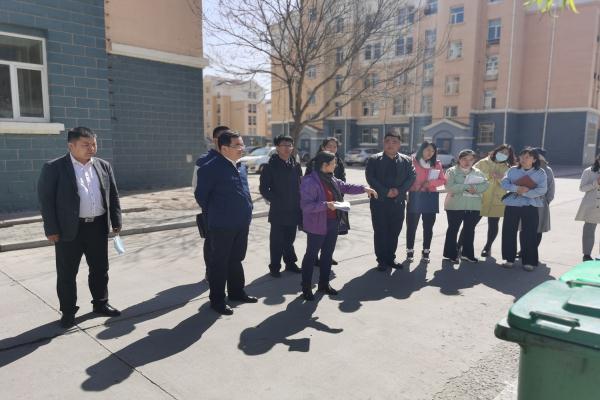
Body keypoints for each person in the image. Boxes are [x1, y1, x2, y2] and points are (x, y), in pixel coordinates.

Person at [38, 127, 122, 328]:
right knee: (67, 274)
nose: (91, 148)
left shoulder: (103, 166)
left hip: (98, 227)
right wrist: (51, 229)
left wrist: (116, 220)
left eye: (93, 144)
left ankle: (100, 303)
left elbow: (112, 195)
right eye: (86, 145)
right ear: (71, 146)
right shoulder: (54, 167)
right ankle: (68, 312)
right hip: (68, 230)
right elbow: (46, 201)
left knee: (100, 269)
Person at [195, 131, 257, 315]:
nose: (241, 148)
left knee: (236, 259)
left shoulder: (241, 166)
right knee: (219, 263)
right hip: (221, 225)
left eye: (242, 144)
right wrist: (219, 212)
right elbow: (201, 196)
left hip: (241, 223)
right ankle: (217, 301)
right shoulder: (210, 168)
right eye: (237, 145)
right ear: (223, 148)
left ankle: (237, 292)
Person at [300, 151, 377, 300]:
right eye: (333, 163)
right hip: (317, 225)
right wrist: (326, 205)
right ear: (325, 165)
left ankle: (324, 284)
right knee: (311, 256)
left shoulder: (331, 178)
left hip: (333, 222)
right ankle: (306, 287)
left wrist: (364, 188)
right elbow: (306, 206)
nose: (335, 165)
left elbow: (345, 186)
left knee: (327, 255)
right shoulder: (310, 181)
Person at [365, 131, 416, 271]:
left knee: (395, 231)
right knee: (380, 231)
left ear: (399, 144)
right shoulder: (374, 159)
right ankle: (381, 260)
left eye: (394, 142)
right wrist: (385, 191)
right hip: (379, 201)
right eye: (387, 141)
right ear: (383, 142)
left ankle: (390, 258)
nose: (390, 144)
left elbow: (412, 177)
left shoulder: (406, 160)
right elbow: (370, 178)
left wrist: (399, 191)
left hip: (398, 201)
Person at [259, 135, 303, 277]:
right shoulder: (269, 166)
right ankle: (275, 267)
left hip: (294, 209)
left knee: (290, 240)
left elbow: (301, 185)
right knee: (277, 241)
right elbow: (264, 189)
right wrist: (276, 200)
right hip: (278, 211)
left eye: (290, 145)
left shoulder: (296, 165)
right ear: (277, 147)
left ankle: (290, 263)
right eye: (284, 145)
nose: (287, 148)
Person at [192, 126, 230, 282]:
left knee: (230, 245)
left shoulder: (233, 159)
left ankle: (227, 272)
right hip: (212, 212)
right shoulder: (204, 160)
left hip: (232, 212)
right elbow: (196, 188)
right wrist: (209, 208)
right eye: (223, 137)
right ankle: (210, 272)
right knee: (212, 244)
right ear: (215, 140)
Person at [500, 147, 548, 271]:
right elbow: (504, 183)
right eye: (522, 156)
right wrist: (517, 188)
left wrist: (526, 192)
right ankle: (509, 259)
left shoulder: (540, 172)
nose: (523, 159)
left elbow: (542, 189)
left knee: (530, 233)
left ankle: (529, 261)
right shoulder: (512, 170)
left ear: (534, 159)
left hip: (530, 205)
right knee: (508, 231)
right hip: (512, 204)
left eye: (527, 157)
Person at [443, 149, 489, 264]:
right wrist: (466, 187)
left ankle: (467, 254)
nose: (467, 162)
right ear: (459, 159)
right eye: (464, 159)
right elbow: (449, 187)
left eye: (471, 159)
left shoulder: (478, 172)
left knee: (469, 231)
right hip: (455, 205)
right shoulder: (451, 171)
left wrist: (475, 189)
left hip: (473, 206)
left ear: (474, 160)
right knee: (453, 230)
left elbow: (485, 184)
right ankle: (451, 254)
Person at [305, 137, 347, 264]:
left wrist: (338, 196)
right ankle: (314, 258)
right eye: (329, 146)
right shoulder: (315, 162)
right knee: (316, 234)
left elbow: (342, 181)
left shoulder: (338, 162)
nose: (332, 149)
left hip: (335, 203)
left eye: (335, 146)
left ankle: (327, 256)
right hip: (318, 205)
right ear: (323, 147)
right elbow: (308, 184)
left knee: (331, 234)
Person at [405, 141, 446, 263]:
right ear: (421, 149)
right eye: (428, 150)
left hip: (430, 197)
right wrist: (416, 186)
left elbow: (442, 180)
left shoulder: (436, 164)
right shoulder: (412, 161)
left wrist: (431, 183)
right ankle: (410, 251)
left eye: (433, 151)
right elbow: (406, 178)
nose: (430, 153)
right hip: (415, 196)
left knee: (428, 226)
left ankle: (426, 251)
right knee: (411, 226)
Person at [473, 144, 515, 257]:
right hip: (481, 198)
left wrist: (501, 178)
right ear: (496, 151)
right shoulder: (483, 162)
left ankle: (487, 247)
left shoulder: (508, 168)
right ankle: (459, 245)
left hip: (497, 200)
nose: (503, 155)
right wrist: (488, 175)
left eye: (506, 154)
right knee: (471, 223)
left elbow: (510, 185)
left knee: (493, 224)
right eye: (502, 152)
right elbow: (472, 174)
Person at [518, 147, 554, 255]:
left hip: (540, 204)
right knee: (524, 228)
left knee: (537, 229)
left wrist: (546, 201)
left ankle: (530, 251)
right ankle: (524, 250)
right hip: (524, 202)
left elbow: (551, 189)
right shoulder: (523, 168)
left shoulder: (547, 170)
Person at [575, 155, 600, 261]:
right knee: (589, 231)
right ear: (598, 159)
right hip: (591, 205)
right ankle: (586, 254)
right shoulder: (588, 171)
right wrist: (596, 183)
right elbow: (582, 188)